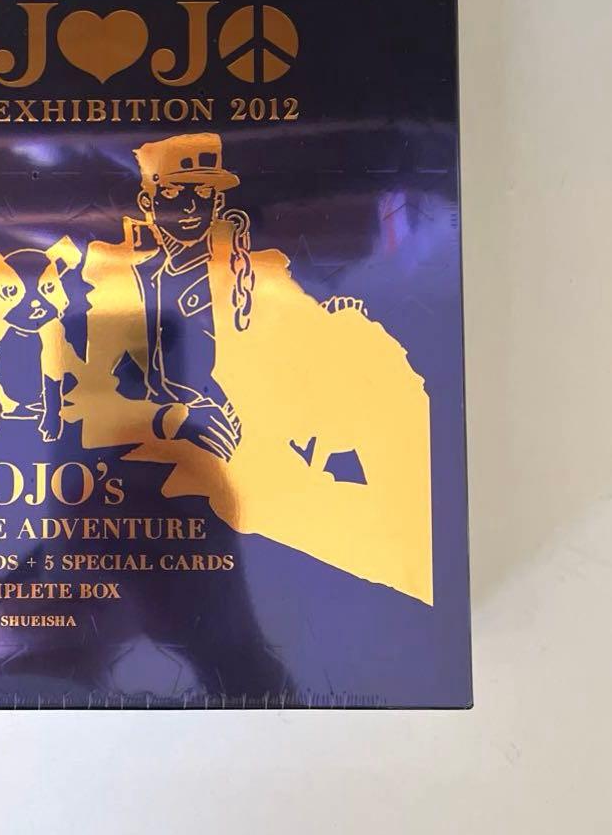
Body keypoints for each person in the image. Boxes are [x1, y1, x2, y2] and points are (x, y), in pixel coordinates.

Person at [69, 133, 435, 604]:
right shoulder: (127, 283)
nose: (189, 207)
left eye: (203, 192)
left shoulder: (281, 277)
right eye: (173, 193)